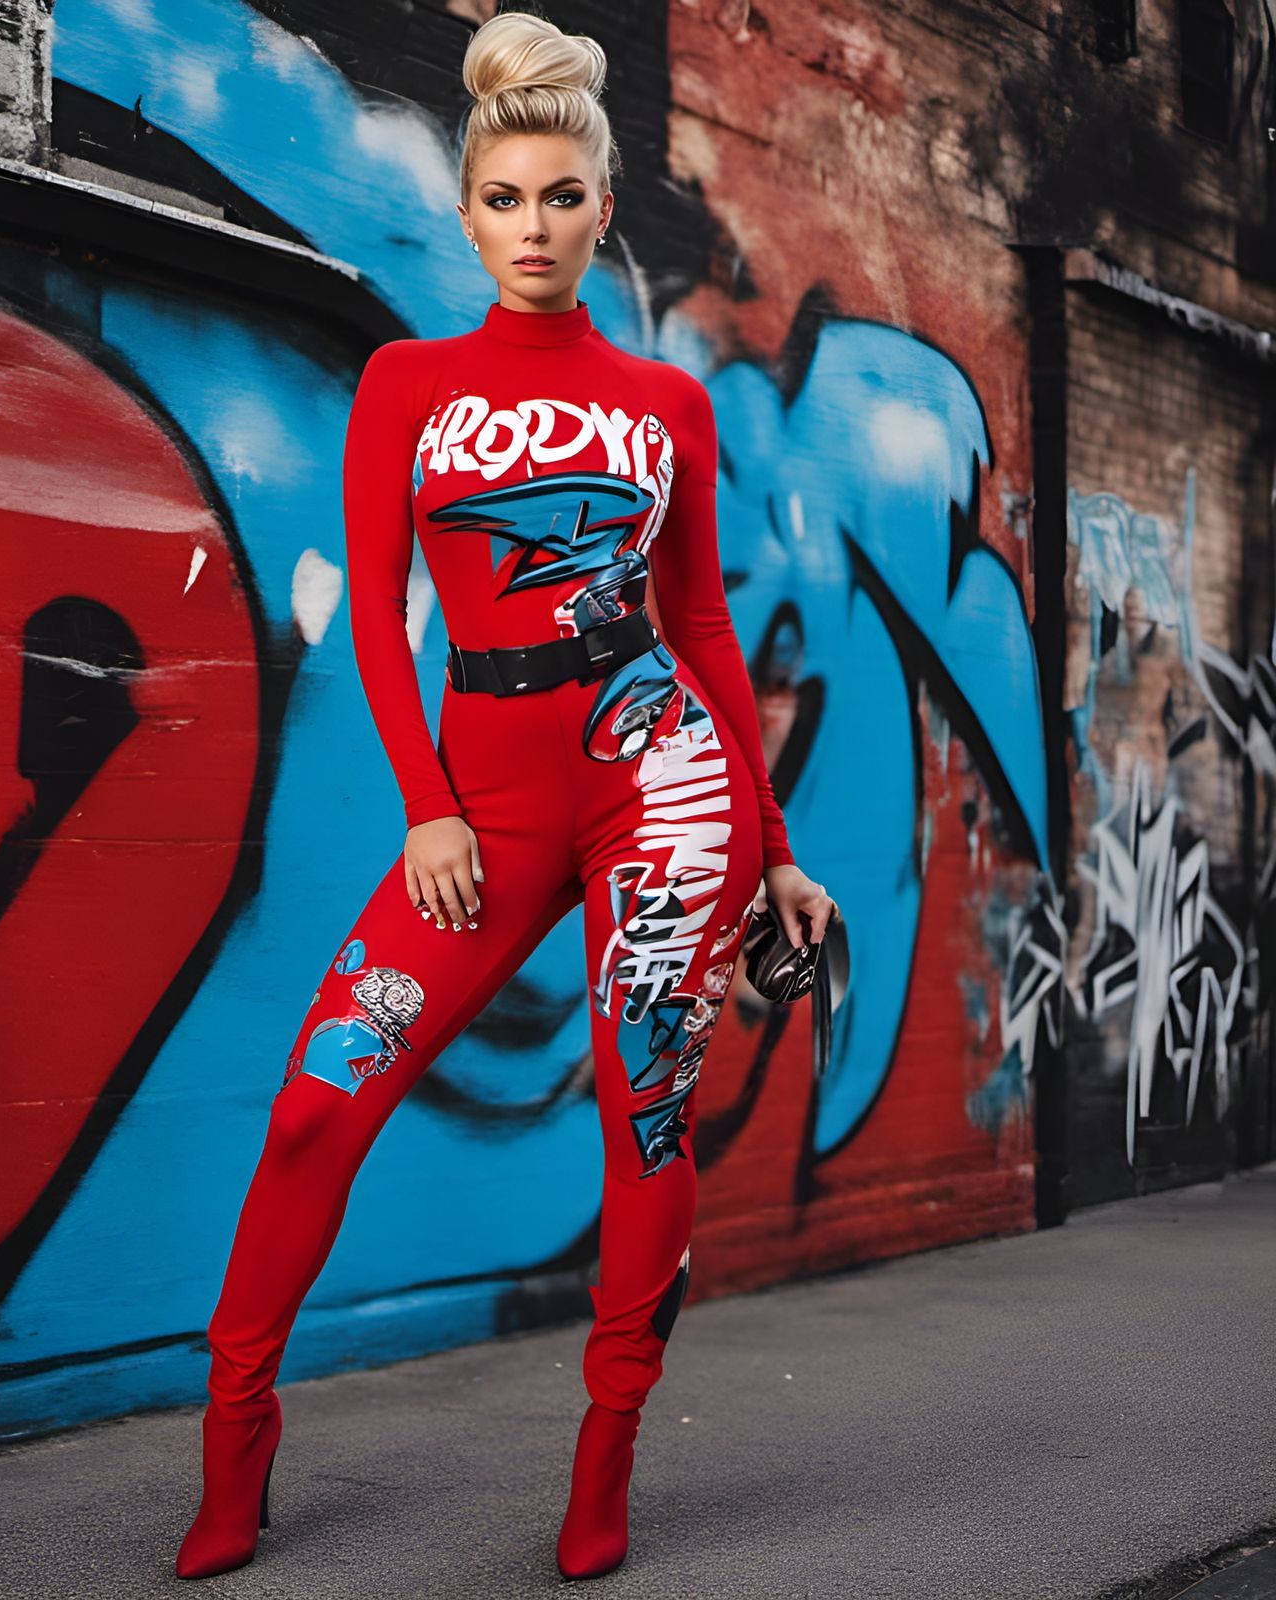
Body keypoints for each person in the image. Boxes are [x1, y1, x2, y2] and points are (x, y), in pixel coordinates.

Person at [175, 10, 837, 1584]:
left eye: (560, 198)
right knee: (312, 1109)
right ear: (467, 211)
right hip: (479, 797)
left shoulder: (666, 408)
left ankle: (606, 1457)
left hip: (664, 785)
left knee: (641, 1110)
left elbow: (704, 632)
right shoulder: (408, 382)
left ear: (603, 211)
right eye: (503, 199)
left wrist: (776, 850)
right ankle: (235, 1444)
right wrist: (429, 808)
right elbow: (391, 620)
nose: (532, 227)